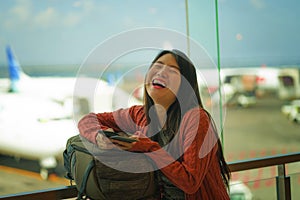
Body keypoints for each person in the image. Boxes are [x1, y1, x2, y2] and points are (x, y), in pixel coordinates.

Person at [78, 49, 231, 199]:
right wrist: (99, 136)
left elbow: (190, 181)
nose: (161, 72)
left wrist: (150, 148)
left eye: (172, 70)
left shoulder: (196, 119)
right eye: (157, 65)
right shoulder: (139, 114)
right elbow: (87, 120)